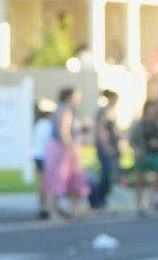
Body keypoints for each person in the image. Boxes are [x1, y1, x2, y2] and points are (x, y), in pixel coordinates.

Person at [41, 87, 86, 220]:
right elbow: (63, 132)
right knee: (59, 179)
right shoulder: (65, 109)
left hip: (64, 147)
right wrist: (72, 149)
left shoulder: (67, 110)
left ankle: (72, 211)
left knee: (70, 179)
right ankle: (55, 212)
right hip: (62, 149)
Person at [130, 91, 158, 214]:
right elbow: (132, 139)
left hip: (156, 154)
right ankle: (140, 205)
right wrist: (136, 149)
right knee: (139, 180)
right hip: (143, 154)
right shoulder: (139, 124)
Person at [90, 89, 122, 210]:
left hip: (113, 146)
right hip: (105, 148)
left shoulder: (112, 112)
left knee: (111, 173)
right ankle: (98, 199)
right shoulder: (104, 112)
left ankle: (103, 198)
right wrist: (107, 146)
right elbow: (101, 130)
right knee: (106, 173)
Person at [29, 100, 54, 216]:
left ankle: (41, 205)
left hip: (37, 155)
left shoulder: (38, 124)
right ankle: (46, 206)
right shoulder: (47, 126)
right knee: (46, 183)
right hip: (44, 156)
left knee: (41, 182)